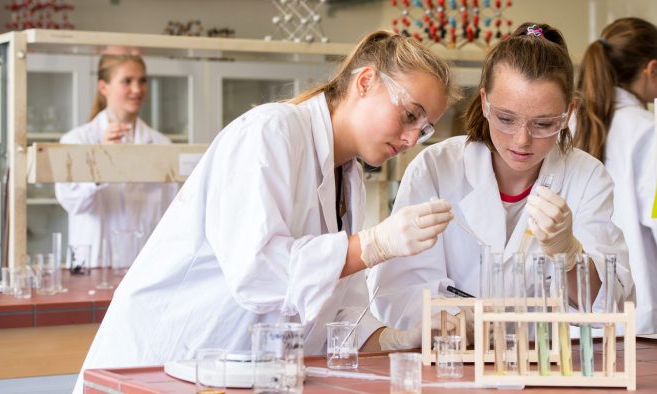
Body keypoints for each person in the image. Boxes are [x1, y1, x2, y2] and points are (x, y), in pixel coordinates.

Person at [73, 30, 459, 392]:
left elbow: (336, 313)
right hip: (164, 365)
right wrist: (373, 245)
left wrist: (394, 338)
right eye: (410, 115)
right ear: (365, 82)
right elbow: (257, 272)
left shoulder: (350, 178)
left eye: (424, 129)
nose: (411, 139)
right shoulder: (269, 133)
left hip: (234, 374)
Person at [368, 23, 635, 331]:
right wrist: (456, 322)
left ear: (569, 111)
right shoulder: (436, 168)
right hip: (454, 360)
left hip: (548, 368)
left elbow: (612, 306)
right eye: (506, 119)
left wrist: (570, 255)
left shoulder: (586, 177)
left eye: (544, 124)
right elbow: (399, 288)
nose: (522, 140)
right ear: (484, 103)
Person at [573, 17, 657, 334]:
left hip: (574, 318)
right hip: (639, 317)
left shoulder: (569, 125)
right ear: (651, 69)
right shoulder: (647, 132)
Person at [55, 54, 178, 267]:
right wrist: (102, 162)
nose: (137, 89)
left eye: (142, 81)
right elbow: (72, 202)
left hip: (143, 263)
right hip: (93, 263)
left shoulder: (160, 144)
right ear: (104, 87)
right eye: (127, 81)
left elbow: (172, 211)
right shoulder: (77, 140)